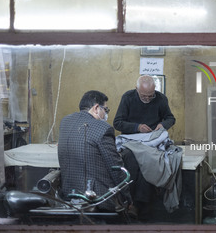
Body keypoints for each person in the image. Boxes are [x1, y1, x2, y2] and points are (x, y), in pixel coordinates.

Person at [58, 90, 133, 214]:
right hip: (96, 197)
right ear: (96, 108)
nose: (106, 114)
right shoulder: (103, 129)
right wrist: (127, 198)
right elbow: (115, 169)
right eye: (106, 110)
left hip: (68, 193)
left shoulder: (65, 122)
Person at [113, 75, 176, 220]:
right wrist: (137, 127)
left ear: (155, 90)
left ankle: (139, 204)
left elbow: (170, 118)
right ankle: (132, 201)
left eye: (150, 95)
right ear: (136, 90)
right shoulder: (128, 98)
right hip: (131, 139)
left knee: (149, 160)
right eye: (144, 96)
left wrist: (163, 125)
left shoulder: (160, 99)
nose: (147, 98)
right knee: (131, 158)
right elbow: (117, 123)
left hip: (151, 140)